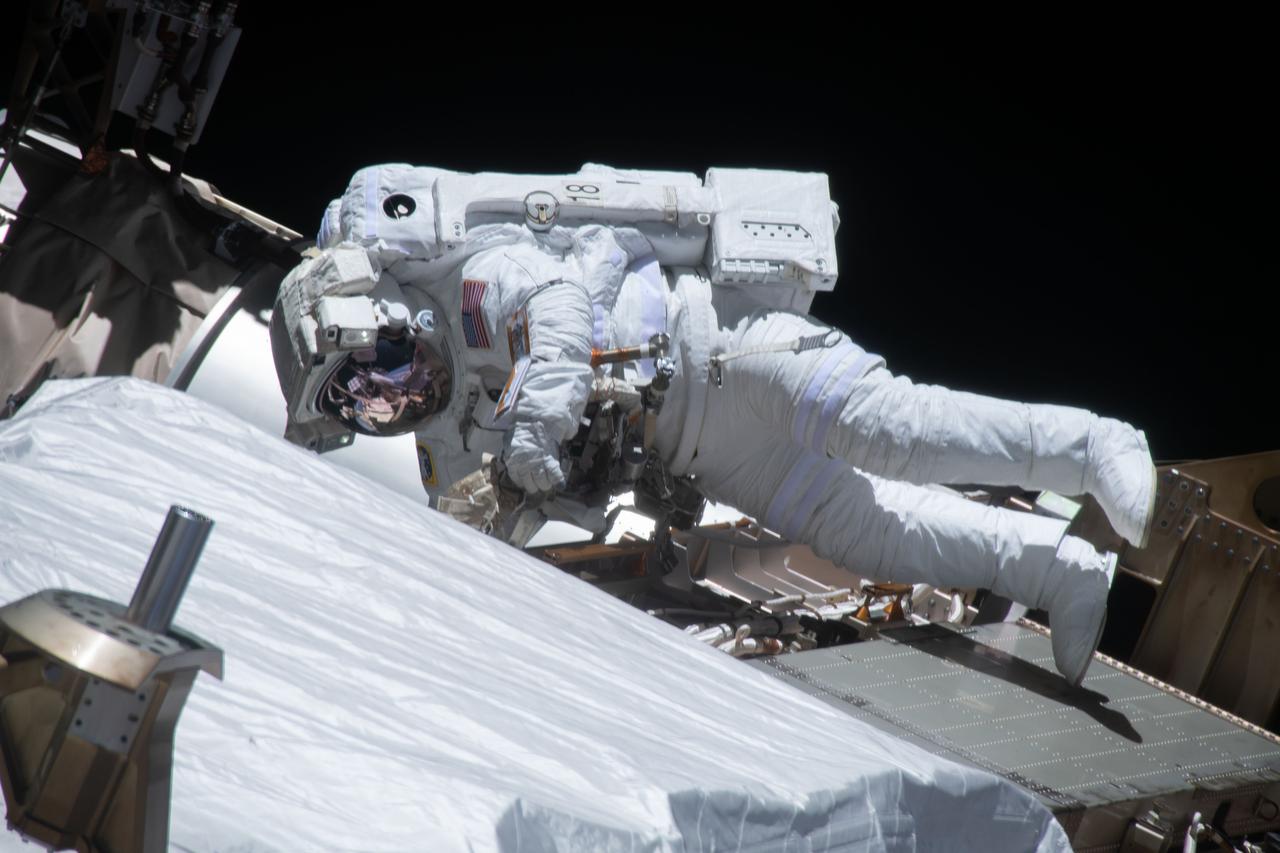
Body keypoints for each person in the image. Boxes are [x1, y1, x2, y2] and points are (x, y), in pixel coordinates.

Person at [272, 163, 1155, 687]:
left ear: (389, 318)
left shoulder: (471, 288)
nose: (392, 399)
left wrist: (529, 445)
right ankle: (1064, 571)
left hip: (726, 350)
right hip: (702, 451)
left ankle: (1095, 445)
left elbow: (562, 308)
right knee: (871, 532)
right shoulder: (443, 445)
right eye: (366, 406)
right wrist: (489, 516)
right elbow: (488, 538)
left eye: (381, 373)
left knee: (892, 429)